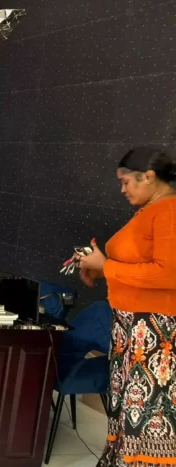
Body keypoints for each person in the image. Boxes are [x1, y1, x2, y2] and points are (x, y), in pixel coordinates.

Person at [76, 147, 176, 466]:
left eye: (125, 182)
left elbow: (168, 274)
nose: (122, 190)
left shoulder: (169, 211)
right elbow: (136, 266)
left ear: (148, 177)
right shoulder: (149, 210)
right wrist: (99, 268)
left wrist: (106, 267)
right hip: (130, 327)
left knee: (146, 413)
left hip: (153, 331)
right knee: (127, 412)